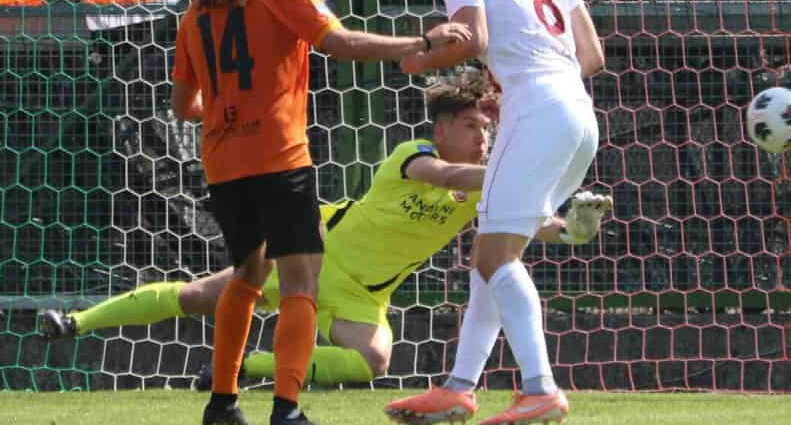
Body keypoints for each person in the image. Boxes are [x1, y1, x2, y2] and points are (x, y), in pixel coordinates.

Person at [38, 75, 612, 388]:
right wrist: (518, 170)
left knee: (374, 360)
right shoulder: (413, 156)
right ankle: (75, 321)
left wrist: (573, 230)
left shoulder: (486, 188)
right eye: (471, 126)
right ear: (440, 130)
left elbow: (534, 224)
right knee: (200, 296)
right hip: (314, 254)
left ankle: (242, 370)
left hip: (364, 295)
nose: (482, 138)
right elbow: (446, 175)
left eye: (486, 130)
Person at [154, 0, 469, 425]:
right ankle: (286, 408)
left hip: (224, 164)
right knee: (301, 281)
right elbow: (342, 43)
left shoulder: (194, 17)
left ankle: (222, 400)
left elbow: (185, 106)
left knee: (246, 279)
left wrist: (228, 109)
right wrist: (422, 39)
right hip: (279, 158)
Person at [385, 0, 605, 425]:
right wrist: (522, 87)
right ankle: (459, 387)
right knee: (492, 248)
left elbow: (473, 37)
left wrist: (417, 58)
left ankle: (541, 388)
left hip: (536, 115)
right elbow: (593, 55)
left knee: (495, 255)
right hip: (578, 114)